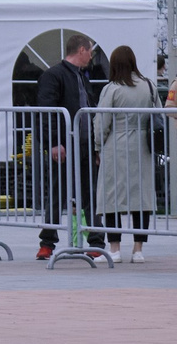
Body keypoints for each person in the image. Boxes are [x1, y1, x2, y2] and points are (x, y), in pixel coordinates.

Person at [91, 44, 157, 263]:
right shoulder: (148, 85)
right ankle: (138, 249)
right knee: (141, 198)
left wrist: (98, 147)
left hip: (116, 146)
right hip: (143, 146)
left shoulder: (112, 89)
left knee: (111, 198)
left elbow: (102, 123)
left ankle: (115, 249)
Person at [33, 34, 95, 259]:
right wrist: (53, 143)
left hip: (85, 144)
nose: (91, 56)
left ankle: (95, 242)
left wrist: (95, 146)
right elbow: (46, 110)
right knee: (58, 193)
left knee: (90, 193)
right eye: (90, 51)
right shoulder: (53, 75)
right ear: (81, 50)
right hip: (65, 145)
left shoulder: (81, 77)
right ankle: (47, 243)